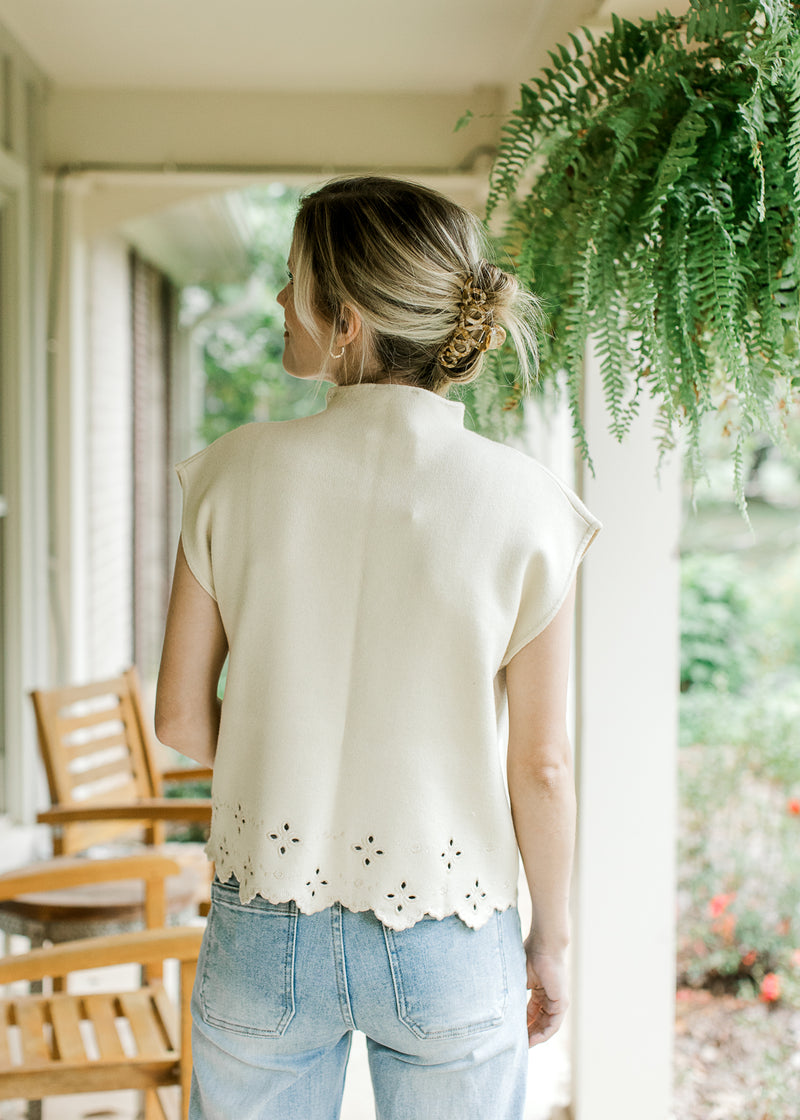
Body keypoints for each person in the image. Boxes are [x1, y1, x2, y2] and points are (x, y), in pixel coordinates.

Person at [155, 175, 601, 1120]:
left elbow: (182, 716)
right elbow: (545, 765)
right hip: (452, 924)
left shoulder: (229, 476)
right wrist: (551, 940)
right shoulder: (528, 507)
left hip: (263, 919)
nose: (280, 302)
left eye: (294, 282)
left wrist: (293, 765)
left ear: (346, 320)